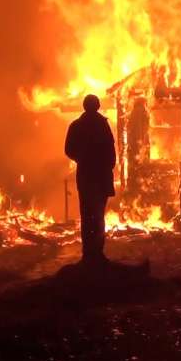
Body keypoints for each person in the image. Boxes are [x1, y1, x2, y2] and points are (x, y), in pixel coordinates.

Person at [65, 94, 116, 263]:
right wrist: (107, 165)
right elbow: (111, 149)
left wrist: (82, 159)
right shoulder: (102, 125)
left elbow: (69, 150)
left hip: (88, 175)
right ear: (97, 106)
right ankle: (95, 253)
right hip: (99, 175)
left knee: (88, 215)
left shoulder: (77, 125)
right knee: (97, 215)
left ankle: (89, 253)